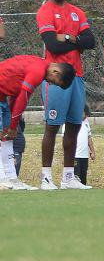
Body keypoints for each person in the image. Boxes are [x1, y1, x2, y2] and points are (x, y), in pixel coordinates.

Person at [37, 0, 95, 189]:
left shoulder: (77, 13)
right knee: (52, 126)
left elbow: (90, 41)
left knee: (74, 126)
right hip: (56, 79)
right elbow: (52, 45)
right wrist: (76, 41)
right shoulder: (45, 12)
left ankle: (69, 177)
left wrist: (69, 37)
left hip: (77, 76)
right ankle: (46, 177)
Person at [0, 56, 76, 190]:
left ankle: (11, 178)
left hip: (2, 97)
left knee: (7, 136)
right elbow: (23, 97)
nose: (51, 84)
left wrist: (13, 123)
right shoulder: (38, 70)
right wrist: (13, 125)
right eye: (55, 82)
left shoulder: (40, 66)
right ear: (56, 72)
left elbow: (19, 95)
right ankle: (1, 179)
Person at [72, 105, 94, 185]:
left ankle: (83, 187)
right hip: (75, 155)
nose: (86, 116)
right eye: (85, 114)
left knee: (83, 175)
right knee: (76, 175)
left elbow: (89, 138)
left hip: (84, 156)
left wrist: (92, 151)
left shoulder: (86, 123)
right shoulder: (71, 123)